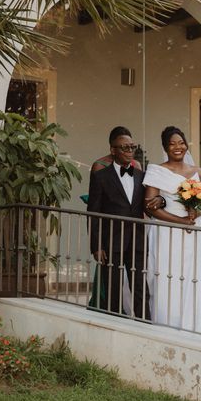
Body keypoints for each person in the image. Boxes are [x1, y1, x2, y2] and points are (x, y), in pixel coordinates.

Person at [143, 126, 201, 334]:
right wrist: (180, 221)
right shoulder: (156, 171)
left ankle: (193, 329)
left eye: (181, 143)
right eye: (172, 144)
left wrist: (194, 213)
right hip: (167, 232)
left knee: (193, 278)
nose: (177, 147)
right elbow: (150, 207)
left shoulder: (197, 172)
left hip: (193, 234)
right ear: (165, 147)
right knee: (166, 277)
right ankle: (166, 329)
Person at [87, 128, 150, 319]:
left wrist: (161, 202)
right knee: (113, 288)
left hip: (137, 240)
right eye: (124, 147)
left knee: (140, 287)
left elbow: (149, 205)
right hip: (111, 241)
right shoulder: (101, 177)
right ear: (113, 150)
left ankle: (144, 324)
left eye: (132, 147)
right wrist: (97, 246)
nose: (130, 151)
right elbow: (94, 212)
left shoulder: (141, 175)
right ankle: (115, 324)